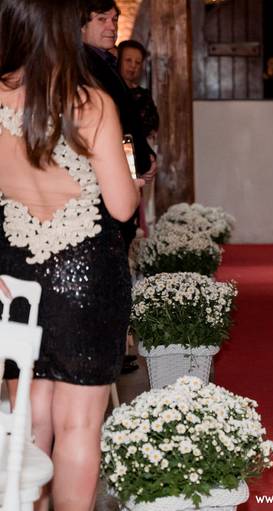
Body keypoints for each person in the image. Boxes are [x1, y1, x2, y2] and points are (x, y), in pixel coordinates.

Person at [0, 0, 143, 509]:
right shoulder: (89, 103)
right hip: (86, 277)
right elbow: (122, 207)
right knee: (79, 424)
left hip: (16, 278)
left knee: (29, 421)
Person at [81, 0, 155, 251]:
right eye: (102, 19)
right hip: (102, 181)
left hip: (123, 170)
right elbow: (111, 127)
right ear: (81, 25)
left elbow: (128, 120)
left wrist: (145, 156)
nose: (111, 27)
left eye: (114, 20)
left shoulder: (103, 61)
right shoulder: (84, 66)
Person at [118, 39, 159, 143]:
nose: (133, 66)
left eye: (138, 62)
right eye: (128, 60)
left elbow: (152, 127)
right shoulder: (108, 91)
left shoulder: (144, 95)